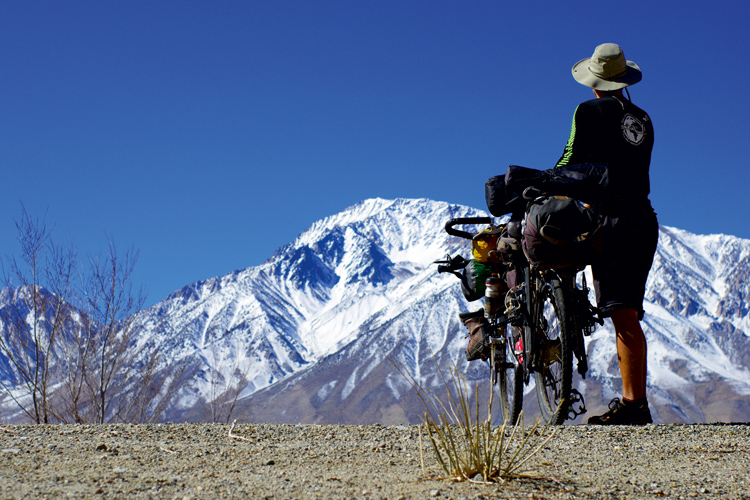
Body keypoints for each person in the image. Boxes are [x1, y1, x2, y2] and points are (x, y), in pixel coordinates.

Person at [555, 43, 658, 425]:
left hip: (610, 220)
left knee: (621, 314)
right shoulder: (643, 118)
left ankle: (634, 406)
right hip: (644, 219)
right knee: (628, 312)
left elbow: (570, 157)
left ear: (595, 83)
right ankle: (636, 403)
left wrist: (546, 182)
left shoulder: (589, 111)